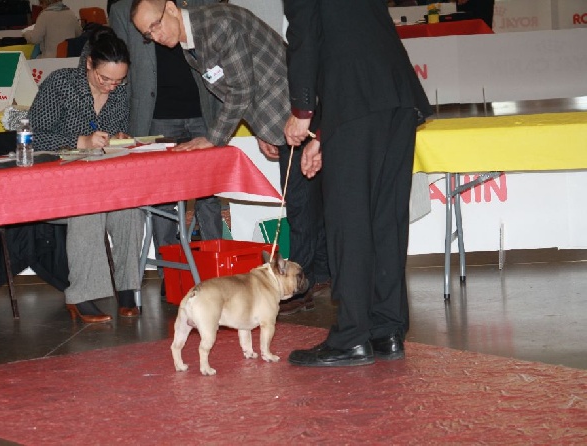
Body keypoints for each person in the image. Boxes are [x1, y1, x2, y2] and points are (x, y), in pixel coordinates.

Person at [283, 0, 433, 367]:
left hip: (356, 98)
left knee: (348, 222)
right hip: (396, 97)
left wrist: (302, 112)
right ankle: (387, 329)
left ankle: (352, 336)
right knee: (386, 219)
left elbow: (306, 37)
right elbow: (351, 35)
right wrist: (322, 134)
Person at [27, 26, 144, 323]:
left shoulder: (119, 93)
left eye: (119, 81)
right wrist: (81, 142)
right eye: (104, 78)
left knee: (128, 206)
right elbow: (34, 138)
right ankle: (82, 295)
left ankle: (127, 287)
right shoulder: (60, 83)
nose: (111, 86)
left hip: (100, 178)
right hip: (56, 183)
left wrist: (119, 138)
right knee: (89, 204)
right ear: (89, 63)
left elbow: (113, 133)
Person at [111, 0, 223, 297]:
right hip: (154, 117)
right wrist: (121, 124)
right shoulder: (123, 11)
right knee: (161, 201)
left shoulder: (197, 4)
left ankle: (216, 270)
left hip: (203, 112)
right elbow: (122, 72)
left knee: (209, 196)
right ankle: (171, 273)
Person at [228, 0, 330, 315]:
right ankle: (319, 274)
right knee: (307, 201)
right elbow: (252, 76)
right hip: (290, 114)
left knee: (304, 204)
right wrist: (263, 128)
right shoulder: (248, 9)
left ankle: (299, 285)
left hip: (311, 108)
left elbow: (291, 62)